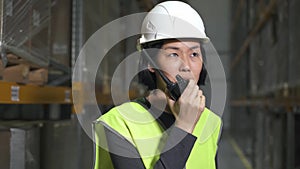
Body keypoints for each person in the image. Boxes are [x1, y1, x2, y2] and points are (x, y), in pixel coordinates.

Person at [93, 1, 222, 169]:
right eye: (174, 54)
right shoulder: (118, 124)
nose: (186, 66)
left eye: (194, 54)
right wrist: (184, 126)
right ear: (150, 63)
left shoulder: (211, 122)